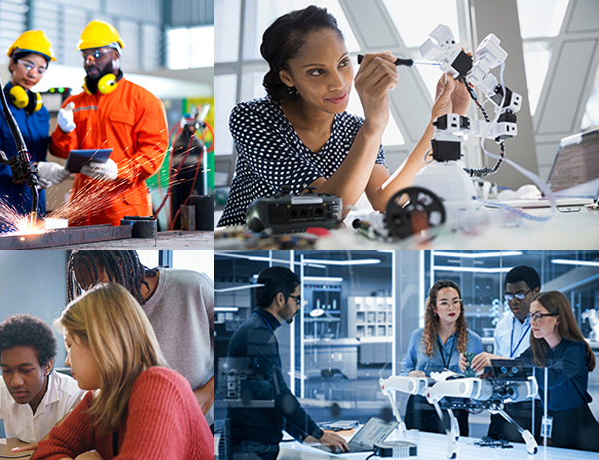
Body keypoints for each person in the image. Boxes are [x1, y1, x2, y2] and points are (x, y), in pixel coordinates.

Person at [217, 5, 472, 227]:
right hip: (245, 241)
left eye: (342, 63)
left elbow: (385, 199)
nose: (338, 84)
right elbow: (324, 210)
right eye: (318, 72)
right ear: (287, 77)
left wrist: (438, 125)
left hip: (308, 243)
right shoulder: (253, 118)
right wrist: (374, 126)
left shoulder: (353, 129)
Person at [31, 283, 212, 460]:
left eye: (70, 345)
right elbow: (46, 452)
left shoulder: (159, 388)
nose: (68, 361)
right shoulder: (100, 397)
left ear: (101, 342)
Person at [220, 266, 348, 460]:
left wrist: (303, 434)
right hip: (251, 447)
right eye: (297, 299)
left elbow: (265, 397)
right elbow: (280, 395)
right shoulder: (258, 333)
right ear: (281, 298)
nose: (299, 306)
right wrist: (319, 433)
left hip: (247, 444)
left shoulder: (256, 329)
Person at [66, 250, 214, 428]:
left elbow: (238, 347)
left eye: (98, 284)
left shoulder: (192, 287)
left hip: (198, 418)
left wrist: (207, 394)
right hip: (143, 423)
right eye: (86, 287)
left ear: (122, 265)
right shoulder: (106, 312)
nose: (93, 294)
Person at [51, 20, 169, 227]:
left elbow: (154, 151)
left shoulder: (144, 100)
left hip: (124, 208)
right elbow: (62, 151)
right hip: (83, 208)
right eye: (85, 55)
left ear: (116, 55)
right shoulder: (74, 103)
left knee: (121, 258)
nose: (89, 61)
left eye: (97, 54)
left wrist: (120, 170)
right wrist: (64, 129)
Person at [469, 291, 599, 452]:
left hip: (581, 431)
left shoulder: (575, 348)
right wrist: (485, 368)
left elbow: (550, 378)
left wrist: (497, 361)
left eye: (538, 316)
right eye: (531, 316)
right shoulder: (539, 348)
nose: (532, 322)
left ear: (557, 318)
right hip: (552, 426)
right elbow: (516, 369)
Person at [0, 30, 69, 234]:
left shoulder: (41, 112)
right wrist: (32, 169)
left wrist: (65, 131)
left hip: (34, 203)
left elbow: (43, 154)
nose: (33, 74)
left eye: (40, 69)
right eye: (28, 65)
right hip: (0, 205)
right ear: (12, 63)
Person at [0, 314, 84, 444]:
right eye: (6, 370)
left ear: (47, 366)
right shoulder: (0, 387)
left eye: (25, 370)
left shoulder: (73, 396)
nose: (15, 382)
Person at [460, 265, 543, 442]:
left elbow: (534, 367)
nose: (514, 301)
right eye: (509, 295)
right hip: (501, 405)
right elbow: (499, 371)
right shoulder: (503, 325)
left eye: (520, 294)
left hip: (531, 406)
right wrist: (482, 372)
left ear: (536, 291)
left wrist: (495, 360)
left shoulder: (543, 326)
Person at [400, 280, 483, 436]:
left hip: (455, 410)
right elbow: (405, 371)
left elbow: (477, 380)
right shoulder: (418, 336)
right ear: (434, 308)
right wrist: (411, 375)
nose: (451, 307)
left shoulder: (473, 340)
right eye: (444, 303)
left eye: (455, 302)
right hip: (421, 409)